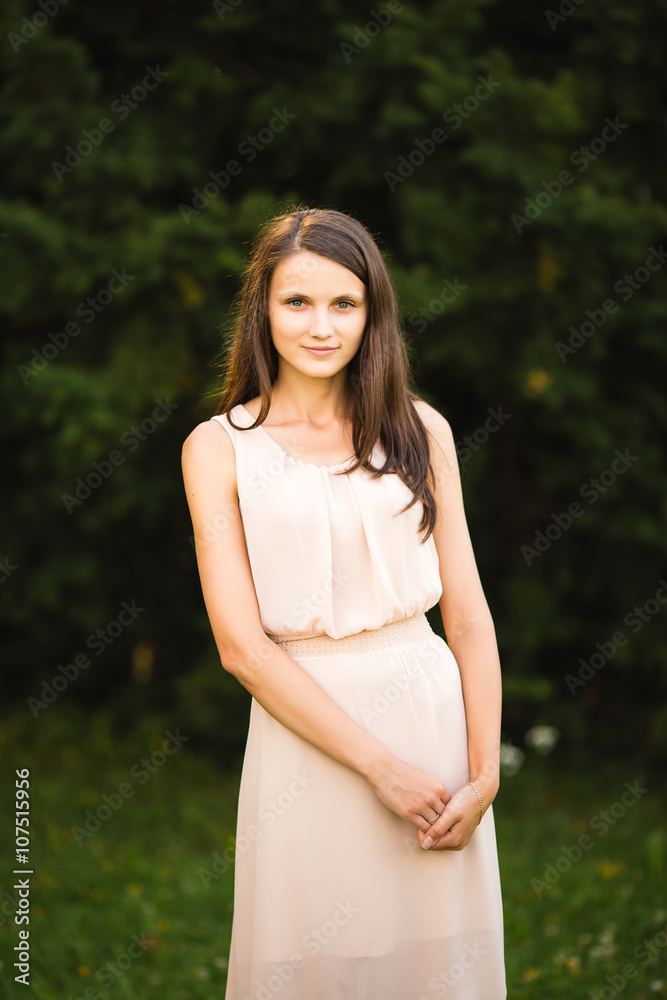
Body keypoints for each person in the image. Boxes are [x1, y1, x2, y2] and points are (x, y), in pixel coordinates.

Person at [181, 206, 507, 999]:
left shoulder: (421, 430)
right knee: (313, 961)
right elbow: (241, 647)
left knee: (436, 968)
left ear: (373, 313)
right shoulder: (218, 446)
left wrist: (483, 772)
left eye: (344, 303)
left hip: (431, 729)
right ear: (261, 309)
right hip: (309, 739)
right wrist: (379, 769)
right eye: (297, 302)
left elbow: (464, 614)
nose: (320, 325)